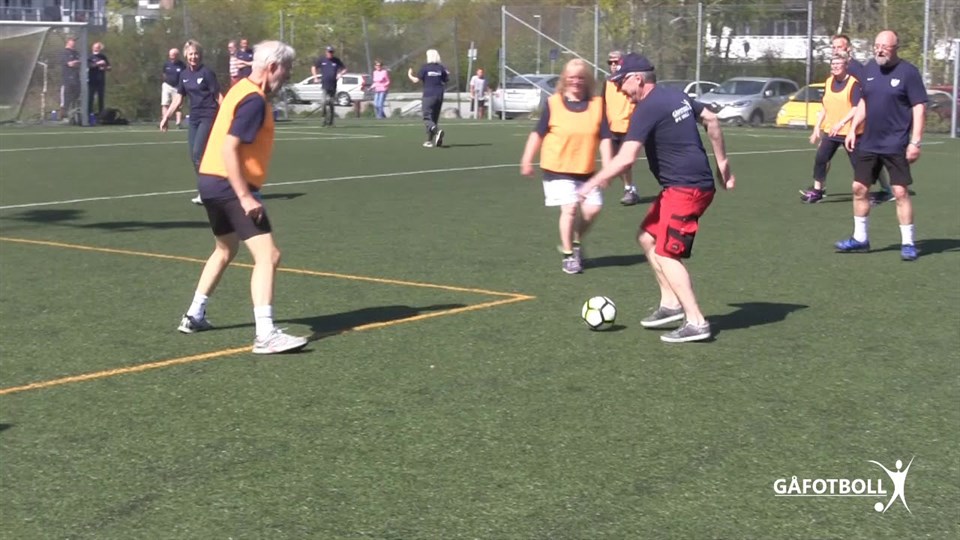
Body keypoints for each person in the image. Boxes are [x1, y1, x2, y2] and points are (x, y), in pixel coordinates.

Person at [578, 53, 735, 343]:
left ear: (637, 79)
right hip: (683, 186)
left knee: (666, 253)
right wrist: (723, 162)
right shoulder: (675, 96)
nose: (620, 89)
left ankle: (696, 322)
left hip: (686, 188)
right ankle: (671, 304)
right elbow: (711, 119)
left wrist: (593, 182)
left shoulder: (647, 108)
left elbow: (626, 157)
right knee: (647, 237)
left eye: (622, 82)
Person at [176, 39, 308, 354]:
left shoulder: (239, 90)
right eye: (287, 69)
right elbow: (229, 148)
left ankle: (194, 314)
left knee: (225, 248)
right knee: (269, 256)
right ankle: (265, 334)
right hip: (229, 185)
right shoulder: (253, 101)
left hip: (210, 182)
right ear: (272, 67)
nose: (288, 75)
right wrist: (245, 197)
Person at [836, 30, 927, 262]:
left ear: (896, 48)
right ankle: (860, 239)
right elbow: (864, 101)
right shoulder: (869, 69)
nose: (879, 50)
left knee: (900, 192)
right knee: (859, 188)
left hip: (895, 143)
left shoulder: (909, 72)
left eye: (885, 47)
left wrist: (915, 142)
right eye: (877, 46)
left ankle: (908, 243)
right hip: (869, 141)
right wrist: (853, 129)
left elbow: (919, 108)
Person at [520, 58, 612, 275]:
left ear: (587, 80)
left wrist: (607, 168)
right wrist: (526, 159)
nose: (576, 81)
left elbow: (605, 138)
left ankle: (575, 241)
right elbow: (537, 134)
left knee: (592, 209)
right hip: (557, 168)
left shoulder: (597, 105)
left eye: (580, 77)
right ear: (564, 79)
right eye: (571, 77)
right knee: (569, 208)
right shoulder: (554, 103)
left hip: (586, 170)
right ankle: (568, 255)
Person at [159, 40, 223, 205]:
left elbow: (218, 96)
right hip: (194, 119)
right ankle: (207, 190)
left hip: (208, 116)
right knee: (194, 157)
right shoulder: (184, 75)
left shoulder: (207, 73)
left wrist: (227, 116)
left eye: (196, 54)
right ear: (186, 55)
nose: (193, 57)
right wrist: (166, 117)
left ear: (200, 55)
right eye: (190, 54)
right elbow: (178, 98)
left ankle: (209, 190)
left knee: (198, 153)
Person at [832, 33, 893, 204]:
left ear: (848, 49)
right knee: (824, 154)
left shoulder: (856, 67)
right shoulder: (836, 67)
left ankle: (885, 189)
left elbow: (866, 92)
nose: (836, 50)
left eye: (839, 47)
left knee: (868, 157)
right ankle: (818, 188)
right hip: (844, 124)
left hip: (860, 121)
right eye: (833, 47)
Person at [799, 53, 862, 204]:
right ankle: (817, 191)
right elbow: (825, 107)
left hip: (849, 132)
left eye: (838, 64)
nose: (835, 66)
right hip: (831, 131)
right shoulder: (828, 82)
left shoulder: (853, 84)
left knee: (859, 165)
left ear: (846, 66)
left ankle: (864, 192)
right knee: (821, 159)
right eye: (833, 64)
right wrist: (817, 128)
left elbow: (856, 108)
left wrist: (841, 123)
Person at [604, 50, 641, 206]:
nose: (613, 65)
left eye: (616, 62)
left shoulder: (631, 81)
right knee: (614, 163)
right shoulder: (607, 83)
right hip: (612, 128)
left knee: (624, 161)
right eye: (610, 62)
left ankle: (629, 189)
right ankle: (631, 188)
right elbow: (603, 104)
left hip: (629, 127)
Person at [407, 49, 449, 147]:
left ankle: (437, 131)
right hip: (439, 95)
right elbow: (445, 80)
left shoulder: (425, 68)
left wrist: (409, 74)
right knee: (434, 118)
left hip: (429, 95)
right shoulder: (441, 68)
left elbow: (415, 80)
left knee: (427, 117)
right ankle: (429, 140)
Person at [311, 45, 346, 127]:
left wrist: (340, 74)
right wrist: (315, 77)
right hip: (325, 85)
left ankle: (331, 121)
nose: (330, 53)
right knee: (323, 102)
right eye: (329, 52)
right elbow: (313, 67)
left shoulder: (336, 60)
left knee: (331, 103)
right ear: (326, 52)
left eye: (331, 52)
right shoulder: (322, 60)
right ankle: (324, 119)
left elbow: (344, 69)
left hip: (333, 85)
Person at [161, 47, 185, 129]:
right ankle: (164, 121)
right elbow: (164, 74)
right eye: (170, 55)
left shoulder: (182, 65)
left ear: (177, 55)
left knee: (178, 106)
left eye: (173, 55)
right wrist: (166, 81)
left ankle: (178, 123)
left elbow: (184, 76)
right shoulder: (166, 64)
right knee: (165, 103)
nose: (172, 57)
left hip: (177, 87)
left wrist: (181, 86)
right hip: (167, 85)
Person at [60, 36, 81, 121]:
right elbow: (70, 64)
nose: (74, 42)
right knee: (66, 96)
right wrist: (75, 63)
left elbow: (80, 63)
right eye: (72, 41)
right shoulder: (64, 52)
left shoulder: (76, 53)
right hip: (67, 78)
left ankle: (73, 114)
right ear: (68, 42)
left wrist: (77, 63)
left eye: (74, 41)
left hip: (76, 78)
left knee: (76, 95)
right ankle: (64, 115)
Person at [87, 41, 110, 116]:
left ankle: (101, 114)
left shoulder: (103, 57)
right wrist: (97, 63)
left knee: (101, 98)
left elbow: (109, 67)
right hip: (92, 80)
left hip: (101, 80)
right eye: (95, 47)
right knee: (90, 97)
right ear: (92, 48)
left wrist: (105, 67)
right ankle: (89, 114)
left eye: (98, 47)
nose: (97, 48)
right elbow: (89, 66)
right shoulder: (89, 57)